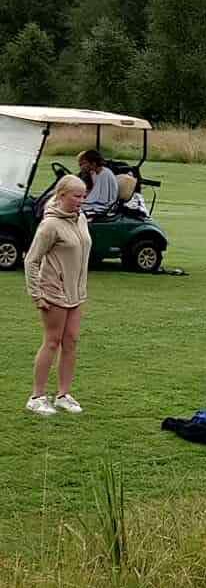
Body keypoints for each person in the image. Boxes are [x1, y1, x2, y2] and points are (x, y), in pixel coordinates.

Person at [24, 172, 90, 416]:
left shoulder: (80, 218)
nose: (81, 200)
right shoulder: (50, 224)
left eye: (84, 196)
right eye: (76, 196)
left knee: (71, 342)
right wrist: (36, 294)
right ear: (62, 195)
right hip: (53, 292)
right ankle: (37, 397)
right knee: (52, 342)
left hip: (76, 293)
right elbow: (31, 260)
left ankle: (63, 395)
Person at [77, 150, 122, 221]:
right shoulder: (95, 174)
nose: (84, 166)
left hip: (105, 205)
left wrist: (85, 201)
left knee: (80, 209)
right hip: (97, 202)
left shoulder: (105, 174)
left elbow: (103, 198)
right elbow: (94, 192)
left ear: (93, 164)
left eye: (85, 163)